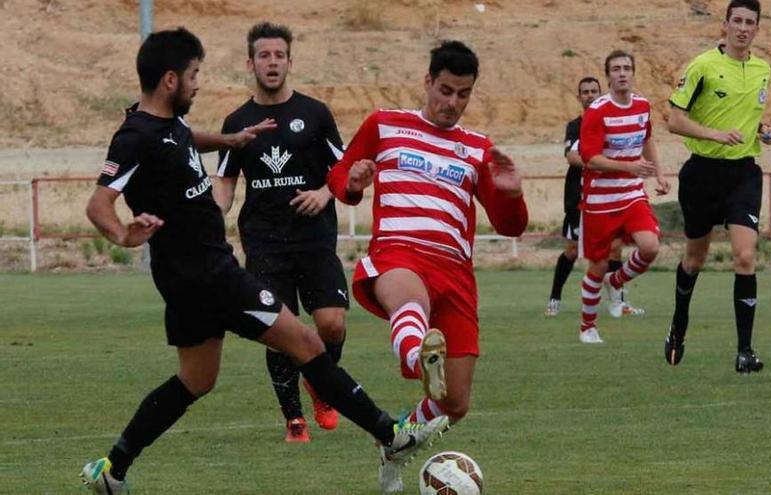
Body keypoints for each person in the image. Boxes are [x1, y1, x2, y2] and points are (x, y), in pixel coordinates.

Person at [78, 27, 447, 495]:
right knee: (308, 343)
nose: (198, 84)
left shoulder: (164, 126)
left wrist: (232, 140)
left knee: (195, 380)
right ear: (170, 79)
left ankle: (113, 470)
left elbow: (185, 137)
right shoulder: (133, 137)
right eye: (193, 76)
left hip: (185, 283)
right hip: (211, 278)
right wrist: (123, 234)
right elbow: (98, 204)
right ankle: (390, 434)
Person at [326, 40, 528, 493]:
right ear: (427, 82)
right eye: (445, 90)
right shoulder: (384, 124)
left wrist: (512, 193)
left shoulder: (479, 150)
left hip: (456, 272)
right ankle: (419, 355)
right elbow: (339, 176)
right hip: (400, 251)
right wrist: (353, 182)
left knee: (455, 402)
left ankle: (393, 445)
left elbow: (511, 225)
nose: (452, 103)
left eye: (463, 94)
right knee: (408, 295)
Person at [213, 22, 348, 444]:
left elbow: (343, 170)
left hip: (314, 237)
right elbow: (225, 182)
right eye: (264, 56)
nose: (272, 63)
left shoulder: (315, 114)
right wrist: (209, 221)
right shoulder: (237, 121)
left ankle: (321, 386)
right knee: (280, 330)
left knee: (332, 326)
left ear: (290, 61)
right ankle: (294, 419)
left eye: (279, 55)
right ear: (250, 63)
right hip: (265, 241)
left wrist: (325, 193)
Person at [665, 0, 771, 373]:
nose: (743, 28)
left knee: (745, 256)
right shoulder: (703, 66)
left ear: (757, 29)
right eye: (738, 21)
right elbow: (674, 120)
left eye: (750, 22)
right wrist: (714, 134)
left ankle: (745, 351)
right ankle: (678, 327)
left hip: (743, 173)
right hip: (701, 174)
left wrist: (764, 131)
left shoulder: (763, 69)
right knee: (695, 259)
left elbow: (748, 116)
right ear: (725, 25)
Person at [577, 50, 670, 344]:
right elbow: (590, 158)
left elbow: (646, 138)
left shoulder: (642, 105)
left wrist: (659, 173)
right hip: (600, 201)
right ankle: (587, 327)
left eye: (627, 68)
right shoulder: (597, 111)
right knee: (598, 264)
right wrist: (630, 166)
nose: (622, 73)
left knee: (651, 246)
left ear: (633, 73)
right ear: (608, 76)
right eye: (616, 68)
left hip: (630, 194)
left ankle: (616, 282)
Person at [545, 76, 644, 319]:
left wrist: (608, 164)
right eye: (585, 92)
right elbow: (572, 156)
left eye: (593, 91)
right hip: (579, 197)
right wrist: (601, 163)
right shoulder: (575, 125)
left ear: (601, 93)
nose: (589, 95)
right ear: (579, 97)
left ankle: (619, 303)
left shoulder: (610, 121)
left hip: (609, 196)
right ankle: (554, 299)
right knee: (571, 250)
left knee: (615, 249)